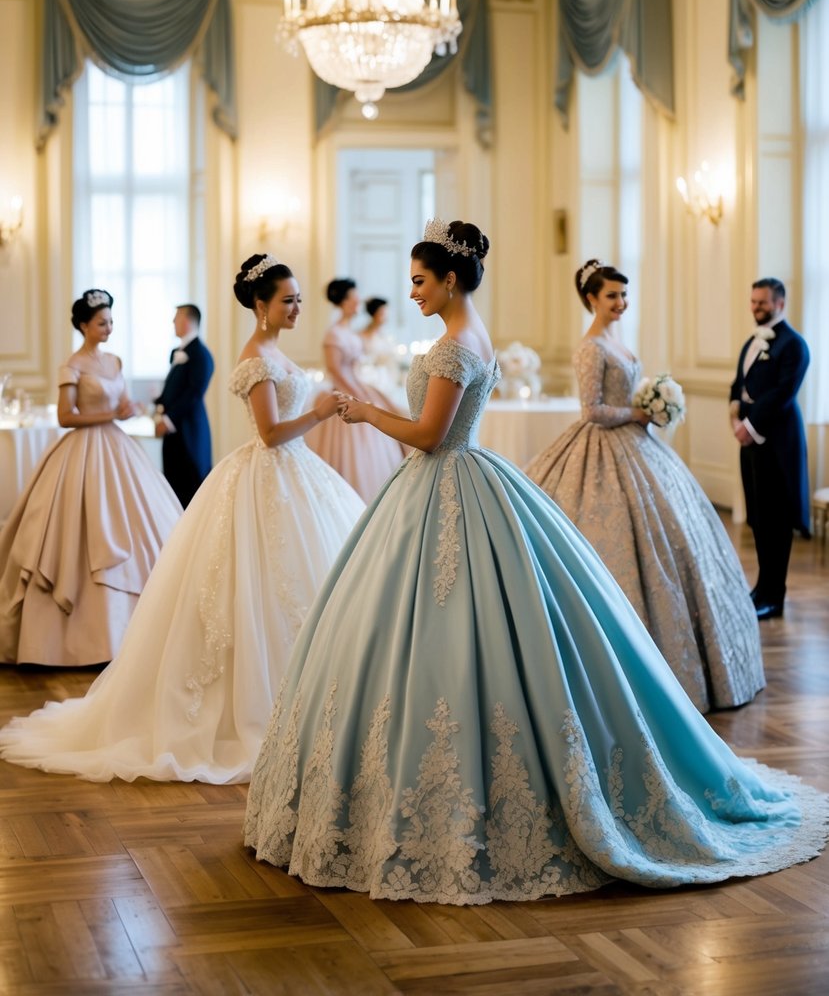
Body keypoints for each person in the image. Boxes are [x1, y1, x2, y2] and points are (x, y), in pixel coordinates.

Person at [244, 221, 828, 906]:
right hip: (451, 485)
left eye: (419, 281)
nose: (412, 292)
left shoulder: (457, 346)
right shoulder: (468, 337)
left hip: (445, 479)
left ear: (450, 280)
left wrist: (365, 413)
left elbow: (430, 438)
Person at [0, 257, 365, 783]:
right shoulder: (256, 360)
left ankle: (314, 696)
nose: (297, 307)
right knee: (256, 591)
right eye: (288, 299)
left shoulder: (274, 353)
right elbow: (269, 433)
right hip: (270, 471)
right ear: (260, 306)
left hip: (296, 477)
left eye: (299, 298)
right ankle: (259, 704)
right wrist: (320, 411)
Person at [525, 260, 764, 714]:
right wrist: (638, 414)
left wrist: (650, 407)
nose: (621, 302)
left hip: (640, 444)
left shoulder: (615, 340)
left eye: (623, 294)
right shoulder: (590, 348)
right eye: (612, 295)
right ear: (591, 298)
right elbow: (591, 410)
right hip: (606, 446)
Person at [0, 289, 181, 666]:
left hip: (118, 448)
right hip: (82, 450)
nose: (108, 328)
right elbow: (66, 417)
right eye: (101, 322)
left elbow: (123, 404)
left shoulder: (114, 361)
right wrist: (110, 415)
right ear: (83, 325)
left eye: (111, 321)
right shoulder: (72, 366)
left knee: (141, 522)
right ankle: (82, 638)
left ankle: (136, 631)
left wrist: (127, 410)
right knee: (74, 531)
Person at [730, 277, 811, 620]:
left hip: (777, 444)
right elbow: (740, 382)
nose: (756, 308)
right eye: (753, 301)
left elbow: (783, 393)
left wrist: (750, 426)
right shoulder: (752, 340)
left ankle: (774, 596)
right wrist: (734, 406)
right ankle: (761, 587)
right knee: (759, 520)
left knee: (777, 523)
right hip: (750, 442)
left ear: (780, 303)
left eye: (762, 302)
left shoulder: (794, 345)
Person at [305, 277, 406, 500]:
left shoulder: (350, 332)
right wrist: (356, 394)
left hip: (358, 385)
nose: (358, 300)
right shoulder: (334, 334)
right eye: (353, 296)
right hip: (341, 391)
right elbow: (335, 369)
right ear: (343, 301)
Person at [154, 303, 215, 508]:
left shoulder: (201, 355)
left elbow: (194, 394)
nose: (173, 322)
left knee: (191, 487)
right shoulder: (177, 352)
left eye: (176, 318)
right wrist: (157, 405)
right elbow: (173, 389)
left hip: (190, 433)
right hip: (174, 433)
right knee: (173, 486)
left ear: (187, 321)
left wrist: (168, 420)